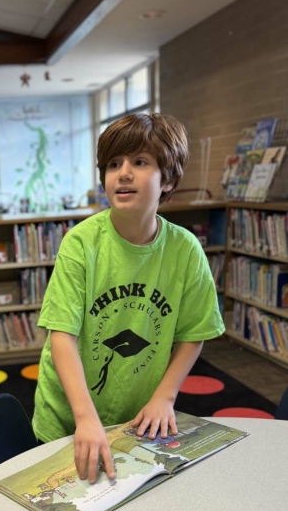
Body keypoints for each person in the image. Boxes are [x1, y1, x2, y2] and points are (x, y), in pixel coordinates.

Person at [32, 113, 225, 484]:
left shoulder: (185, 250)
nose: (123, 173)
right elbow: (61, 336)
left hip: (139, 416)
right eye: (113, 164)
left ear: (168, 179)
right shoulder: (81, 243)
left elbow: (194, 333)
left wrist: (165, 397)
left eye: (140, 162)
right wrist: (85, 417)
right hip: (69, 415)